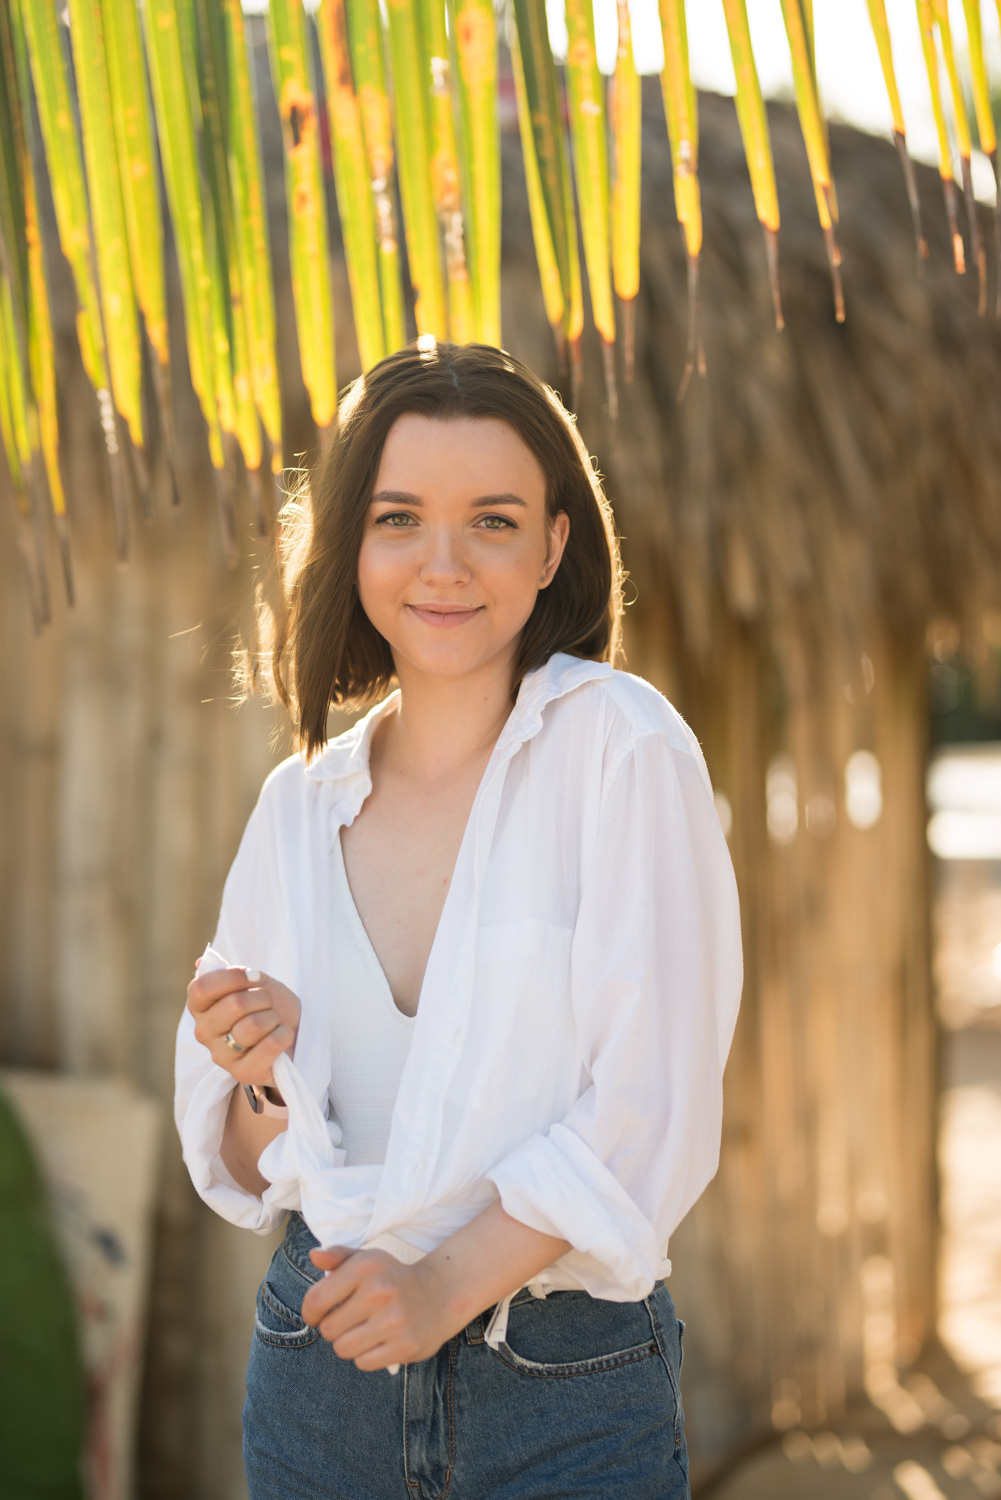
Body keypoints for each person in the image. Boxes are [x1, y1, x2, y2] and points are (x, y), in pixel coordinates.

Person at [175, 339, 742, 1500]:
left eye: (491, 519)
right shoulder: (296, 808)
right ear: (353, 546)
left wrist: (440, 1289)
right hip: (316, 1365)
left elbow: (648, 1108)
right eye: (398, 519)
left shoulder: (620, 750)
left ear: (552, 546)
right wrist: (258, 1072)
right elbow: (244, 1157)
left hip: (564, 1381)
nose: (442, 564)